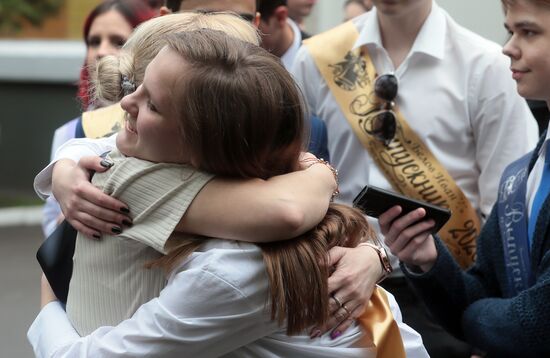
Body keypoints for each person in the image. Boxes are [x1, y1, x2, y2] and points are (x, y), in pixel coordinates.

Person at [28, 27, 429, 357]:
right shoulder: (257, 185)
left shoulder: (230, 271)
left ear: (206, 147)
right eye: (137, 87)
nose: (126, 104)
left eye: (153, 105)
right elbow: (103, 149)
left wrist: (50, 294)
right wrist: (67, 167)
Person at [290, 0, 539, 357]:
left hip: (440, 290)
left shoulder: (486, 65)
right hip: (337, 287)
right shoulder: (317, 58)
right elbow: (297, 173)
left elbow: (503, 206)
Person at [379, 1, 550, 356]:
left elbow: (534, 324)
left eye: (529, 32)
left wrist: (477, 319)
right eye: (510, 30)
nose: (508, 46)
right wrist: (429, 261)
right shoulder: (526, 169)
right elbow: (483, 289)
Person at [42, 0, 156, 237]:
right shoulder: (71, 131)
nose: (102, 51)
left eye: (118, 41)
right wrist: (68, 213)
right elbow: (50, 221)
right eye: (94, 41)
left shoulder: (161, 124)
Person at [257, 0, 329, 159]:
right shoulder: (232, 64)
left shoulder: (323, 59)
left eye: (254, 24)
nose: (241, 33)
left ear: (281, 17)